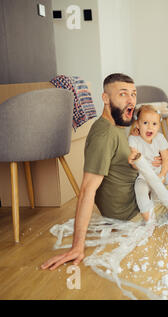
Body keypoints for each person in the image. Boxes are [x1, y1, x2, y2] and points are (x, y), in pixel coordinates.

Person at [41, 73, 146, 270]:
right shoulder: (104, 134)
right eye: (123, 94)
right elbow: (87, 190)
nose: (131, 99)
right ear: (105, 98)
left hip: (137, 197)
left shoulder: (116, 125)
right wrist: (77, 246)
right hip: (133, 210)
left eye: (133, 94)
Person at [128, 104, 168, 231]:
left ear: (158, 126)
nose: (150, 127)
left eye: (154, 124)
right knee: (139, 189)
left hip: (161, 172)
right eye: (145, 123)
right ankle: (150, 221)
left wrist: (162, 174)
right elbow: (135, 161)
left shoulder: (159, 138)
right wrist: (133, 162)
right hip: (144, 175)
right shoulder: (133, 139)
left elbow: (166, 159)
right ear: (137, 125)